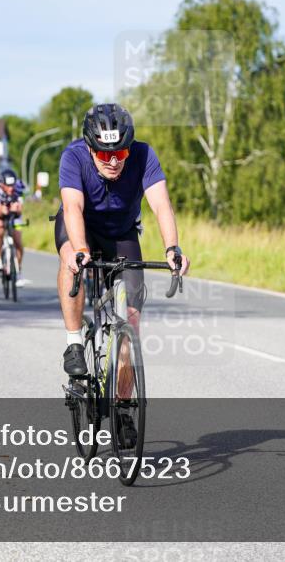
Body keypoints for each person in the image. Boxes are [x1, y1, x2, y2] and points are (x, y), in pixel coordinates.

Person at [55, 103, 190, 377]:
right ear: (91, 147)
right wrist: (80, 249)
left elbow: (162, 205)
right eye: (105, 154)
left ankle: (124, 405)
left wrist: (172, 248)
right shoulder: (73, 156)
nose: (114, 162)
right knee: (71, 258)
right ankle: (74, 344)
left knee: (131, 322)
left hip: (122, 231)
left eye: (121, 153)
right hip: (83, 227)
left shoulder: (144, 155)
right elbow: (72, 208)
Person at [0, 168, 26, 286]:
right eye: (7, 186)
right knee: (0, 228)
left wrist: (16, 209)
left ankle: (18, 271)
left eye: (12, 185)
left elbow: (20, 210)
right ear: (2, 185)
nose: (11, 188)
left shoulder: (19, 187)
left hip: (13, 212)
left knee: (18, 242)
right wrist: (2, 211)